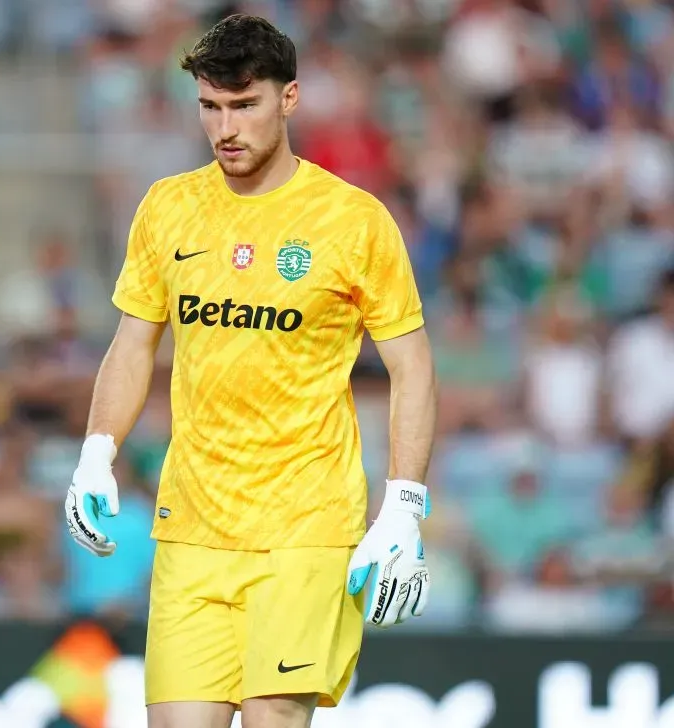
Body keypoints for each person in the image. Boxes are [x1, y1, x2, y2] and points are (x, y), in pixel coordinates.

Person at [64, 14, 437, 728]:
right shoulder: (169, 208)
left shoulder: (352, 221)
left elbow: (412, 366)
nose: (225, 127)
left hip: (305, 526)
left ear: (289, 99)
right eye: (211, 106)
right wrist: (94, 454)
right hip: (193, 527)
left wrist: (405, 504)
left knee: (273, 716)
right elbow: (133, 342)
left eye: (244, 105)